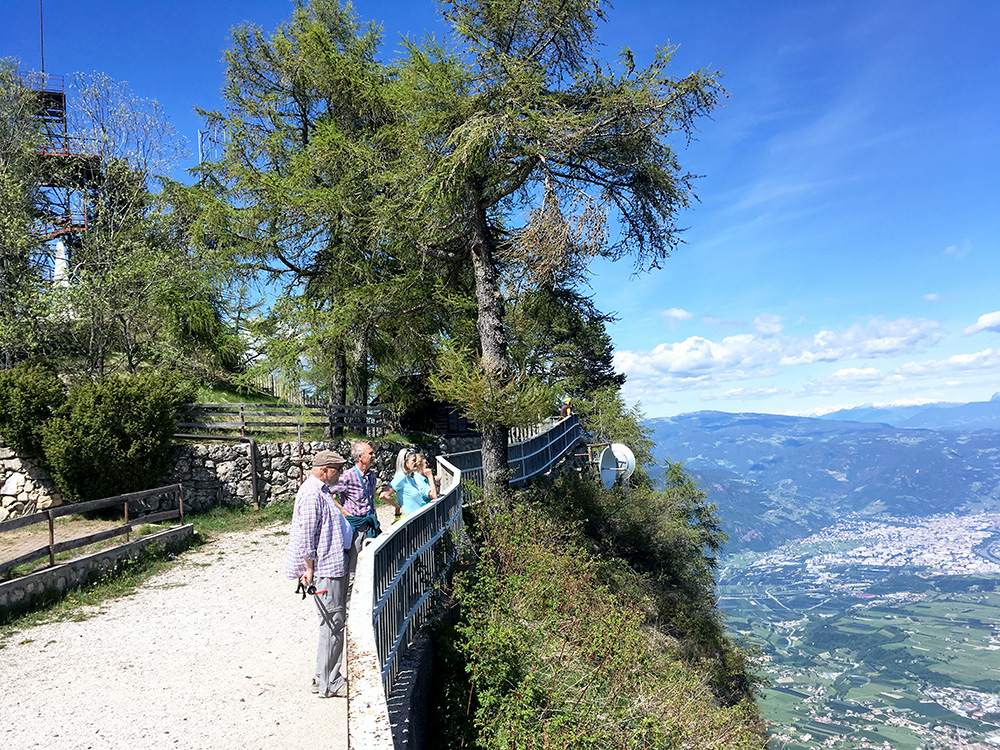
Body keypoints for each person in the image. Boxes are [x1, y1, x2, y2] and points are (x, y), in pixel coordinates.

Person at [285, 450, 352, 699]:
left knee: (331, 623)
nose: (341, 474)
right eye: (338, 469)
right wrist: (309, 569)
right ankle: (329, 682)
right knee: (333, 624)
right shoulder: (313, 494)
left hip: (330, 566)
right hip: (325, 569)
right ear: (325, 469)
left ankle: (322, 676)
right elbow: (306, 536)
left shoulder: (321, 491)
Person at [329, 441, 399, 563]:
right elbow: (326, 492)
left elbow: (370, 500)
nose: (374, 456)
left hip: (369, 523)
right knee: (355, 562)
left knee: (373, 559)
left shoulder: (371, 475)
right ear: (360, 457)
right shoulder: (348, 476)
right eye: (370, 453)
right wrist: (342, 510)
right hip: (355, 525)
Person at [390, 448, 433, 516]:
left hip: (416, 518)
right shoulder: (401, 477)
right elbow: (384, 495)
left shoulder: (411, 477)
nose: (416, 462)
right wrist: (398, 507)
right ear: (405, 462)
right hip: (408, 519)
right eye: (413, 460)